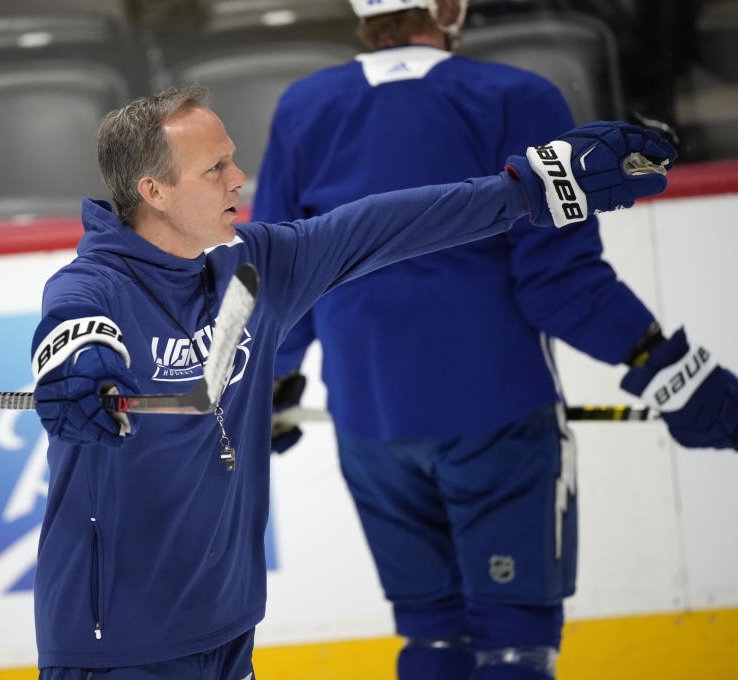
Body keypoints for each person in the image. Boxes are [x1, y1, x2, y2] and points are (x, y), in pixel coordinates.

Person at [28, 81, 674, 679]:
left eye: (232, 159)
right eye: (215, 168)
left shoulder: (254, 269)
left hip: (226, 632)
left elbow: (385, 224)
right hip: (111, 648)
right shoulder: (95, 287)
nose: (239, 178)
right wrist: (81, 377)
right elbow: (76, 334)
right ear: (154, 191)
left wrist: (530, 188)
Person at [252, 2, 738, 679]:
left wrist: (269, 388)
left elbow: (282, 271)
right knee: (514, 647)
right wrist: (670, 368)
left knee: (432, 642)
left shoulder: (303, 107)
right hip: (498, 416)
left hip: (370, 429)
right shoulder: (517, 96)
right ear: (448, 7)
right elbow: (560, 283)